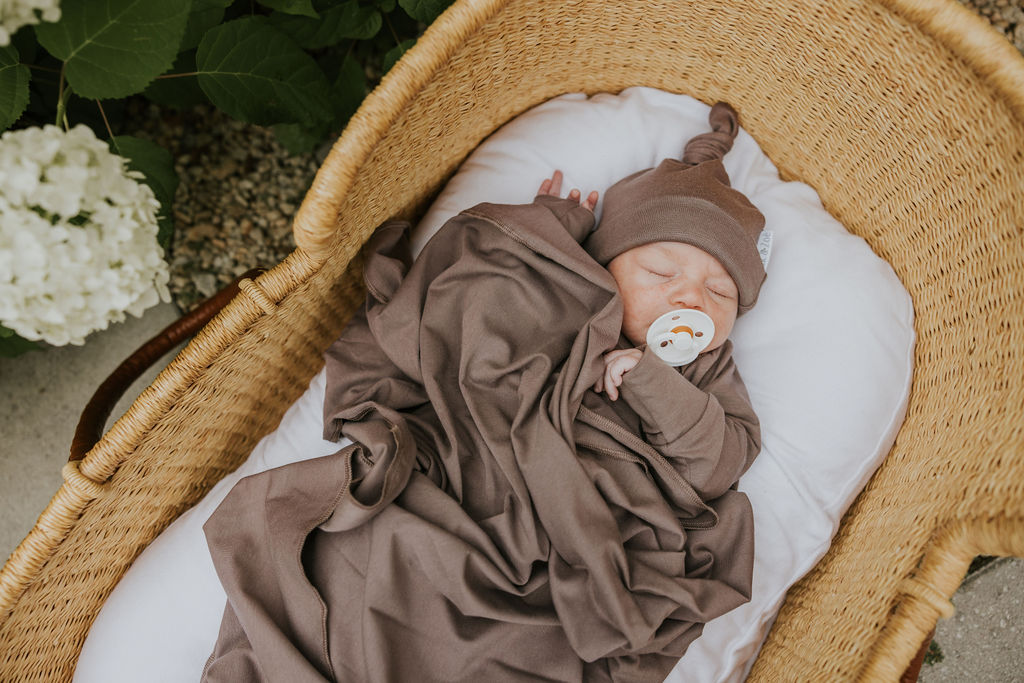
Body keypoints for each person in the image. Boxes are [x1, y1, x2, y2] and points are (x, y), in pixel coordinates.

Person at [200, 102, 767, 682]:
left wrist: (653, 383)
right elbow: (469, 308)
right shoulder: (560, 297)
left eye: (720, 292)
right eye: (661, 273)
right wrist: (539, 240)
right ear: (605, 263)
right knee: (370, 557)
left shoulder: (703, 372)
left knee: (513, 643)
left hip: (578, 539)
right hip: (469, 473)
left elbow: (719, 463)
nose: (691, 300)